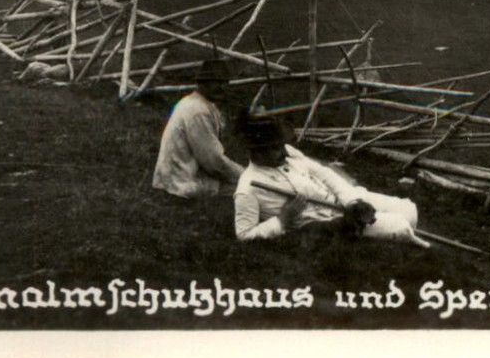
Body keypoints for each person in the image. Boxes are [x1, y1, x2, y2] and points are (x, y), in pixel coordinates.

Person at [232, 115, 428, 245]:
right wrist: (282, 220)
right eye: (275, 148)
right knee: (401, 226)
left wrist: (352, 201)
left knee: (409, 209)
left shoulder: (288, 153)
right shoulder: (248, 188)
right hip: (327, 222)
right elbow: (244, 236)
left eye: (281, 145)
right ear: (257, 151)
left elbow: (324, 173)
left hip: (343, 200)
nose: (284, 152)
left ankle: (402, 234)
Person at [152, 59, 243, 199]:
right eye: (215, 82)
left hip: (176, 175)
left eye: (224, 82)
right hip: (182, 182)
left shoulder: (198, 102)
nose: (221, 87)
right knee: (249, 190)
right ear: (202, 84)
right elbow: (213, 162)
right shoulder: (198, 110)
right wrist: (245, 175)